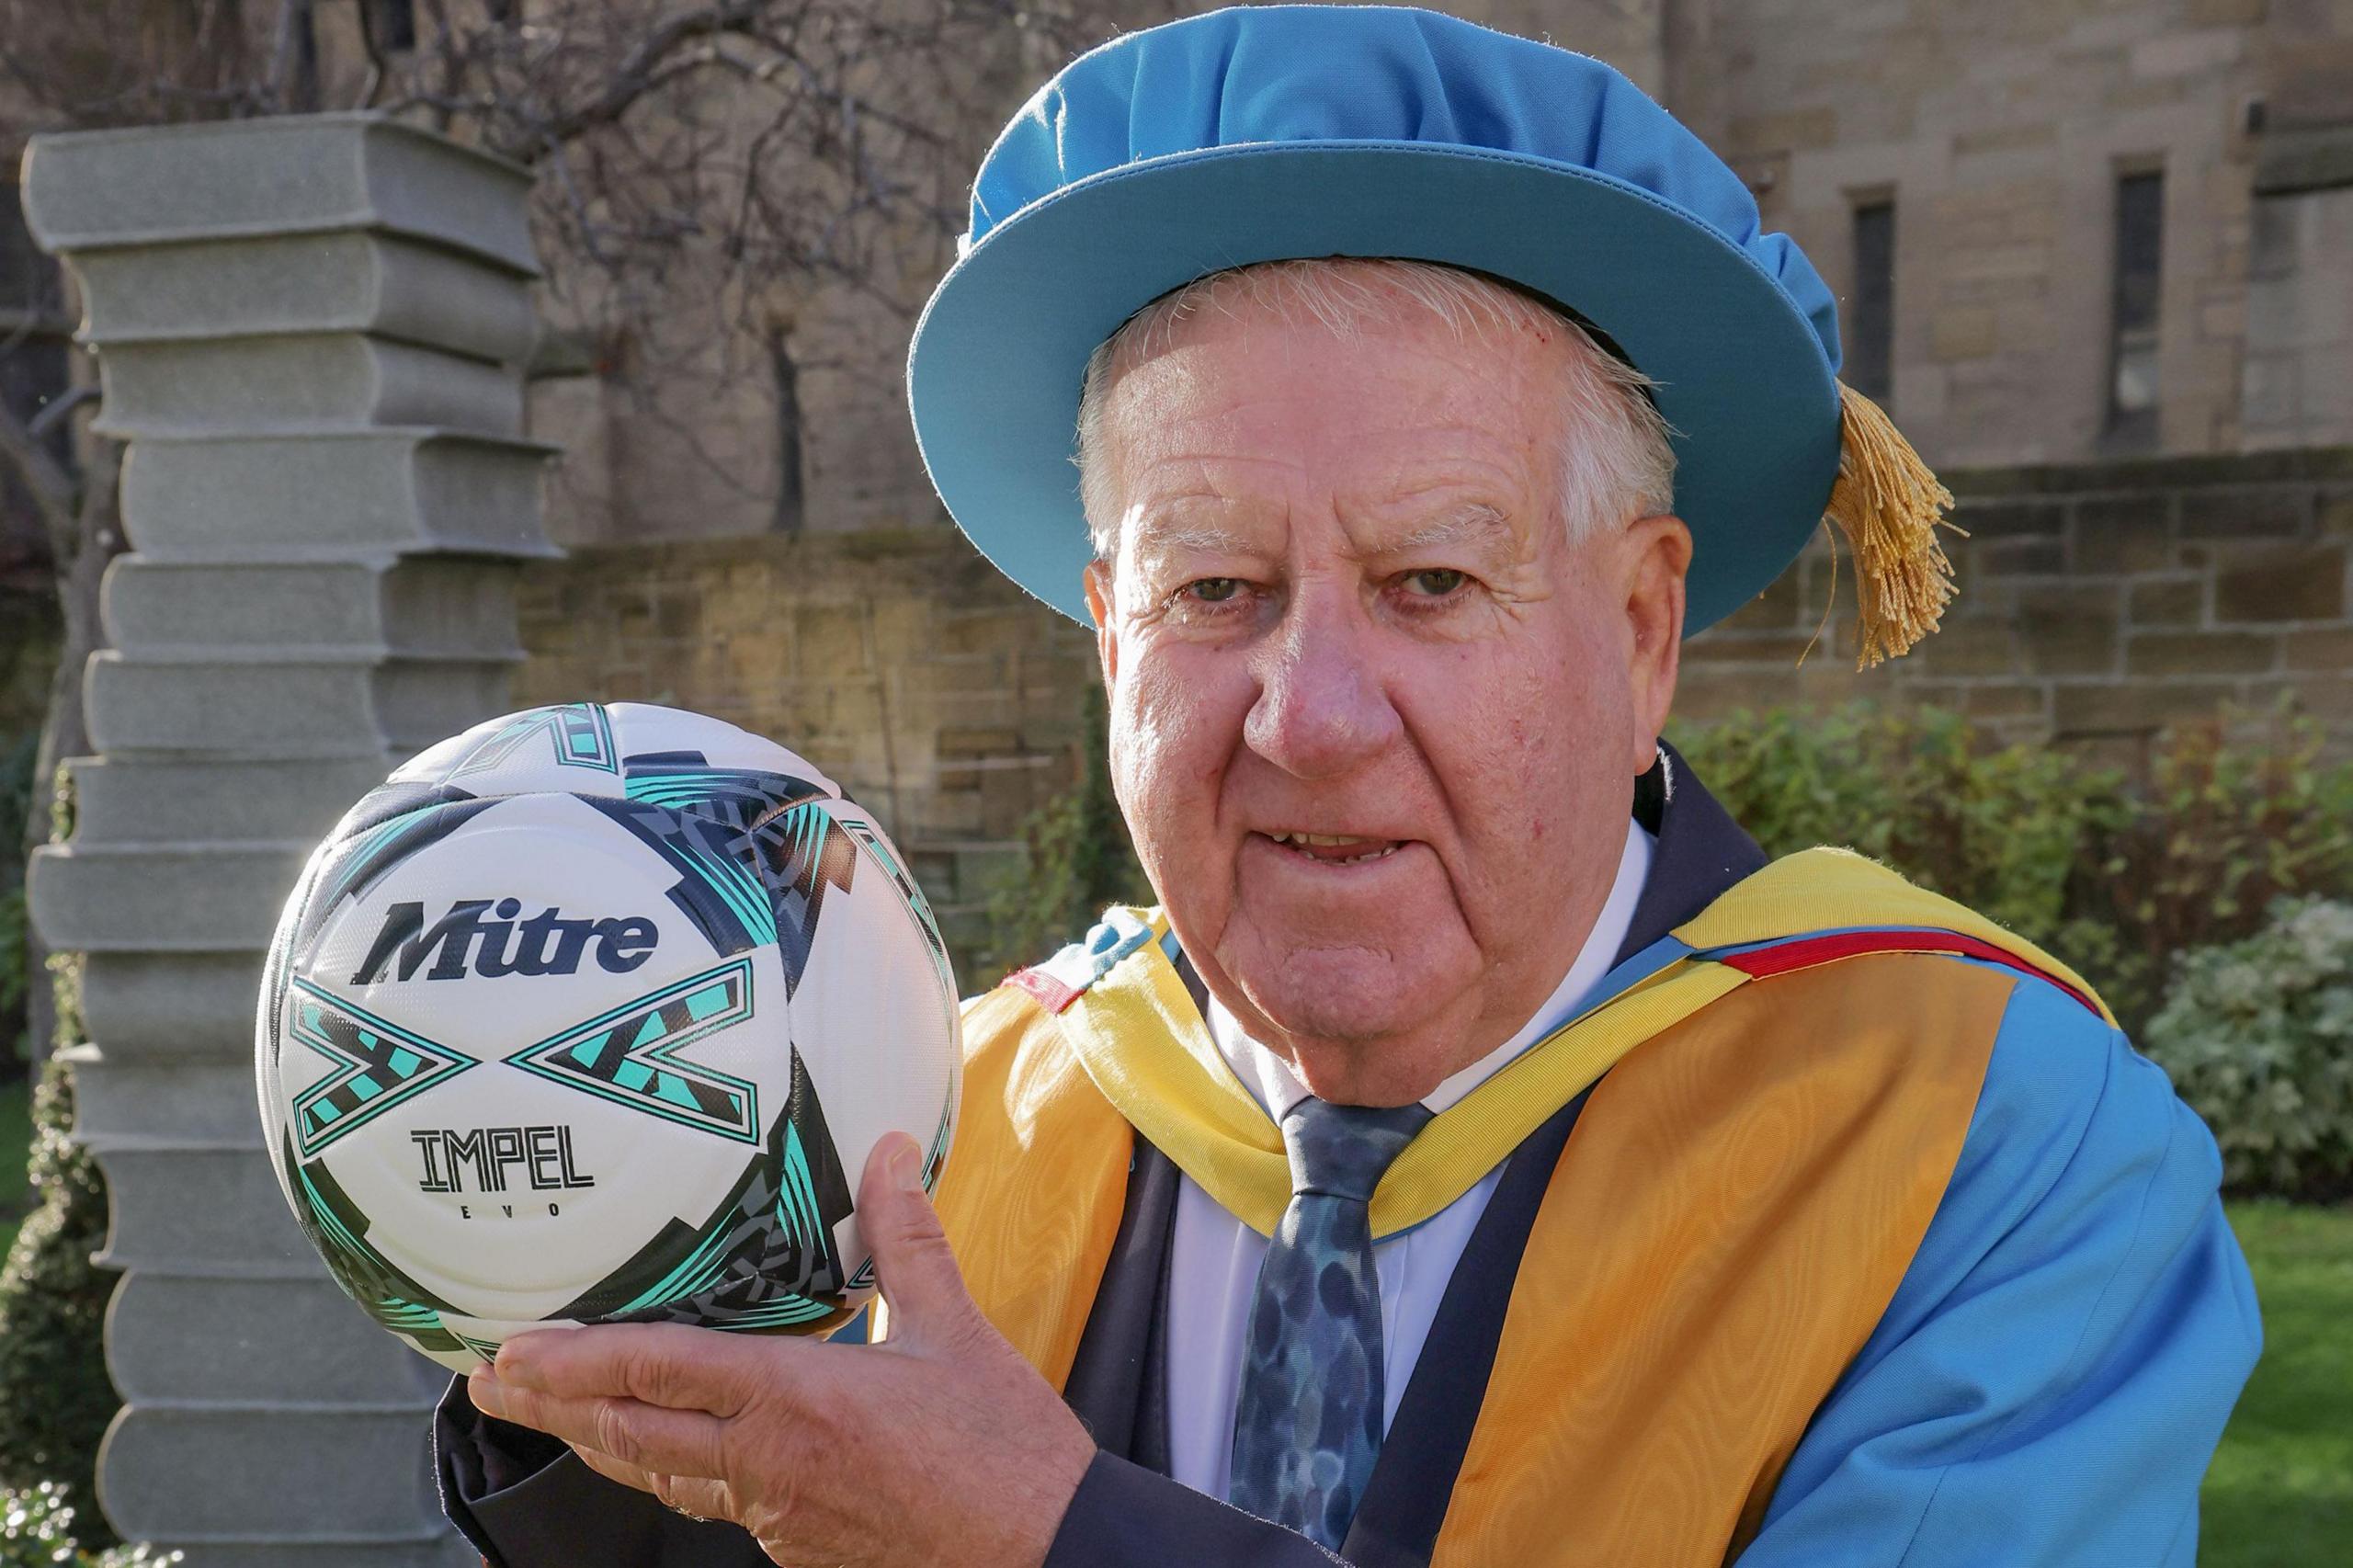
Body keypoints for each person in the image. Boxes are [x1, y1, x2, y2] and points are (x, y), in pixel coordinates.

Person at [434, 7, 2263, 1565]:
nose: (1305, 717)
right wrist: (565, 1351)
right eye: (1211, 587)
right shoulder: (925, 1110)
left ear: (1638, 635)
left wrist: (1052, 1538)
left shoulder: (1985, 1142)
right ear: (1102, 632)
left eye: (1429, 585)